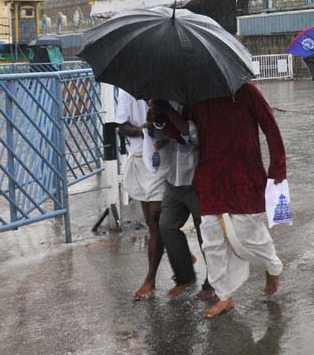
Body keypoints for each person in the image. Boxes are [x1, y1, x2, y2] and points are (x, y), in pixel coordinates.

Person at [187, 82, 287, 319]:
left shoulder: (247, 91)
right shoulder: (196, 96)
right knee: (211, 241)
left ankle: (272, 267)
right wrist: (161, 115)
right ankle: (224, 296)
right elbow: (185, 132)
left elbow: (270, 126)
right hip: (210, 176)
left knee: (251, 233)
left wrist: (277, 167)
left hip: (244, 174)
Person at [150, 100, 215, 300]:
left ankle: (212, 282)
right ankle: (185, 276)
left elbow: (194, 136)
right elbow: (158, 140)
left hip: (197, 178)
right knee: (166, 225)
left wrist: (169, 112)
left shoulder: (198, 102)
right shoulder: (162, 100)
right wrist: (155, 121)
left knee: (206, 233)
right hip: (173, 178)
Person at [116, 88, 169, 301]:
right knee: (151, 222)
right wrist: (142, 131)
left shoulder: (167, 86)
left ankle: (150, 278)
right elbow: (122, 125)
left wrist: (159, 127)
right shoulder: (126, 90)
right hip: (138, 158)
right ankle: (178, 253)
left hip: (162, 158)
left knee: (156, 219)